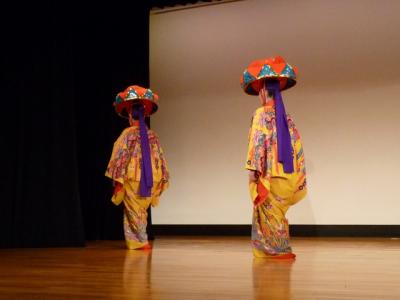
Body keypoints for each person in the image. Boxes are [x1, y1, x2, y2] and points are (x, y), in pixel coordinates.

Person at [240, 56, 307, 259]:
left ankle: (276, 251)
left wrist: (252, 171)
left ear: (262, 92)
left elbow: (257, 143)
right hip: (289, 175)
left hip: (271, 176)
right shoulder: (288, 118)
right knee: (278, 216)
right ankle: (281, 249)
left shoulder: (261, 114)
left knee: (269, 217)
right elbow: (298, 148)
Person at [105, 85, 169, 250]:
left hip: (133, 178)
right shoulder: (152, 135)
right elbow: (160, 158)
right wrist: (162, 177)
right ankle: (140, 240)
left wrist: (118, 179)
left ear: (130, 116)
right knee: (141, 210)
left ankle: (140, 241)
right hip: (150, 179)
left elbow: (119, 156)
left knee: (133, 211)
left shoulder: (127, 134)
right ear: (145, 115)